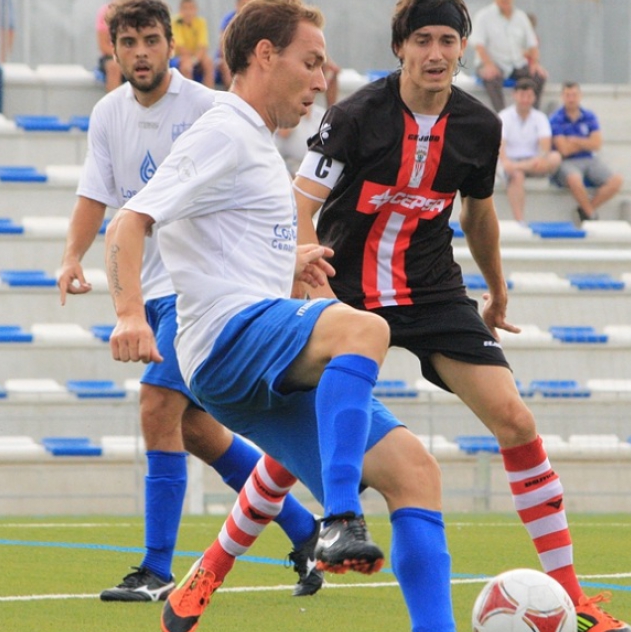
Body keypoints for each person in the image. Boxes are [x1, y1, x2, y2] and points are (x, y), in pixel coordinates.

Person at [105, 2, 456, 631]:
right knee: (363, 327)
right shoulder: (224, 130)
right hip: (223, 342)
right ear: (265, 55)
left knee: (416, 475)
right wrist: (129, 312)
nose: (322, 81)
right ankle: (340, 520)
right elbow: (131, 221)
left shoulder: (258, 145)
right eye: (312, 62)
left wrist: (287, 263)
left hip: (250, 356)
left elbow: (221, 241)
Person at [292, 1, 631, 631]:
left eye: (448, 39)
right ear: (401, 47)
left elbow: (479, 215)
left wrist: (497, 290)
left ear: (461, 47)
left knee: (515, 419)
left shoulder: (479, 125)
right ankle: (213, 567)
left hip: (432, 292)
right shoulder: (353, 117)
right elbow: (301, 203)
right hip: (345, 290)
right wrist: (303, 274)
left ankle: (575, 599)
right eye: (422, 39)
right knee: (300, 448)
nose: (436, 53)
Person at [56, 0, 322, 603]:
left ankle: (156, 568)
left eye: (151, 39)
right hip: (144, 288)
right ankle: (305, 530)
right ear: (115, 50)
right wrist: (72, 255)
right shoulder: (107, 114)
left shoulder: (210, 109)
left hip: (192, 290)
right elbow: (96, 194)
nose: (141, 52)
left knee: (156, 408)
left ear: (171, 45)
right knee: (197, 430)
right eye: (128, 42)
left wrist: (285, 256)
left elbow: (260, 187)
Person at [549, 81, 623, 222]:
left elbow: (596, 144)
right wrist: (585, 142)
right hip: (567, 161)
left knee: (617, 180)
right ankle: (591, 216)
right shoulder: (556, 119)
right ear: (562, 97)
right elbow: (563, 149)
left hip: (589, 159)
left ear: (580, 96)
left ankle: (585, 210)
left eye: (574, 95)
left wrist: (575, 140)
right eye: (567, 95)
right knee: (574, 178)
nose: (571, 98)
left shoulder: (589, 116)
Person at [498, 77, 561, 224]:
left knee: (555, 157)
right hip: (510, 161)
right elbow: (501, 145)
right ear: (515, 95)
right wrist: (508, 163)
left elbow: (545, 147)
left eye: (529, 96)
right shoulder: (504, 116)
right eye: (522, 95)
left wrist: (540, 158)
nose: (525, 100)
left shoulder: (540, 118)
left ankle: (518, 167)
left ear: (534, 98)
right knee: (516, 175)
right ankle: (520, 220)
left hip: (534, 162)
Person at [470, 0, 546, 112]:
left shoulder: (521, 17)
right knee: (491, 77)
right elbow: (479, 45)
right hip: (491, 62)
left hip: (516, 64)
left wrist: (535, 63)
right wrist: (488, 64)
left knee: (538, 76)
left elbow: (532, 44)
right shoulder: (484, 16)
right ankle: (501, 116)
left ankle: (533, 114)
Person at [172, 0, 215, 88]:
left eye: (191, 9)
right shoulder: (175, 22)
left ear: (196, 10)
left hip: (195, 56)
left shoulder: (201, 22)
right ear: (180, 10)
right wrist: (192, 59)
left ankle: (211, 95)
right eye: (185, 9)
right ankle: (190, 96)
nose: (188, 12)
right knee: (186, 66)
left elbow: (203, 46)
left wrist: (195, 59)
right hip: (178, 57)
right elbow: (181, 48)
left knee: (208, 62)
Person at [274, 99, 324, 175]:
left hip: (315, 166)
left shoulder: (321, 114)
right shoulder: (287, 112)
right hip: (290, 165)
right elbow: (283, 134)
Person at [96, 2, 123, 92]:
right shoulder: (106, 12)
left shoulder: (145, 11)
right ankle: (115, 105)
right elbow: (103, 46)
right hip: (113, 55)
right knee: (113, 67)